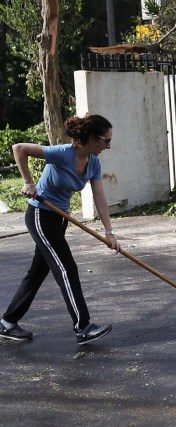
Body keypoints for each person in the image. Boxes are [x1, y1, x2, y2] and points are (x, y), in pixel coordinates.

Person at [0, 114, 121, 345]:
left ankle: (7, 322)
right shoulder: (63, 153)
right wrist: (28, 182)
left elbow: (99, 196)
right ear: (93, 138)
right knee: (67, 268)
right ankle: (83, 326)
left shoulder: (93, 162)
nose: (108, 146)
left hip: (59, 218)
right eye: (106, 141)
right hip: (40, 214)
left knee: (37, 272)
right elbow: (19, 148)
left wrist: (109, 231)